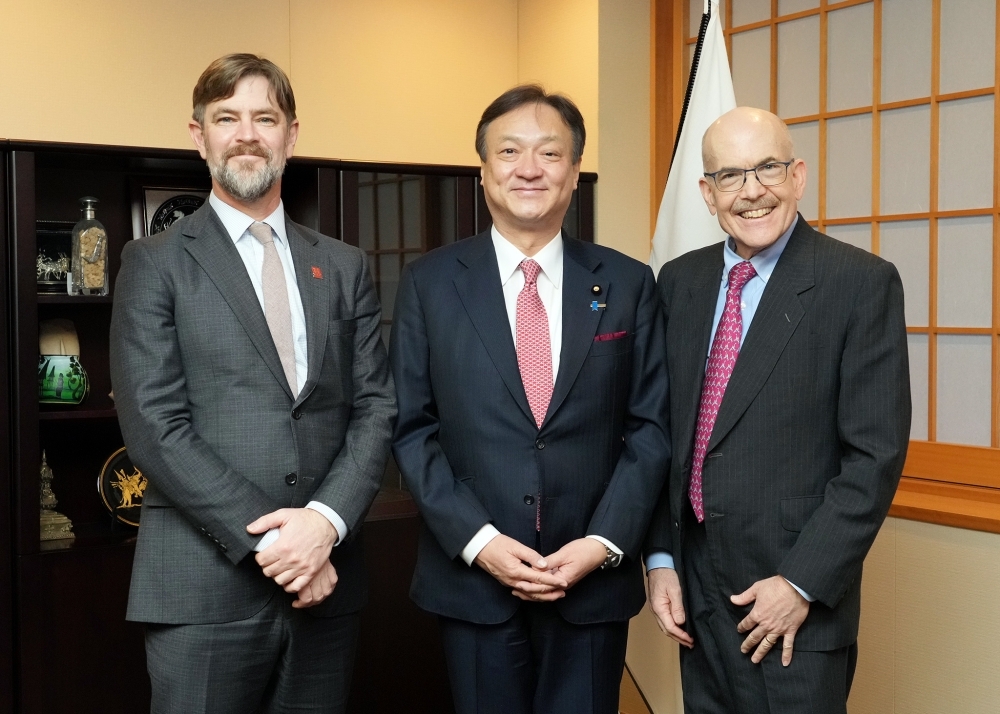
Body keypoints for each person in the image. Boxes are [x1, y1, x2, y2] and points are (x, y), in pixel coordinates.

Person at [109, 53, 395, 714]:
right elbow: (155, 428)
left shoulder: (343, 265)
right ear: (198, 133)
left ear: (291, 134)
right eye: (226, 118)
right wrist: (282, 545)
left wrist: (323, 525)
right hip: (203, 586)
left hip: (326, 584)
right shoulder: (154, 263)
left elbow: (376, 405)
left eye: (265, 117)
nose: (247, 134)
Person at [389, 85, 670, 714]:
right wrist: (479, 540)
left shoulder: (627, 283)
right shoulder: (430, 283)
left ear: (573, 173)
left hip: (590, 581)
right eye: (509, 152)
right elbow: (410, 428)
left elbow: (652, 428)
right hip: (473, 578)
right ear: (483, 173)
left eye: (550, 153)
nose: (529, 169)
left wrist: (603, 544)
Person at [645, 106, 910, 714]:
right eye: (732, 176)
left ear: (798, 176)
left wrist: (801, 583)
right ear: (708, 195)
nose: (753, 191)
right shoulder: (679, 283)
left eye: (767, 168)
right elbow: (663, 436)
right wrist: (660, 559)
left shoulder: (858, 283)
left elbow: (875, 456)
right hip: (696, 588)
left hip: (794, 597)